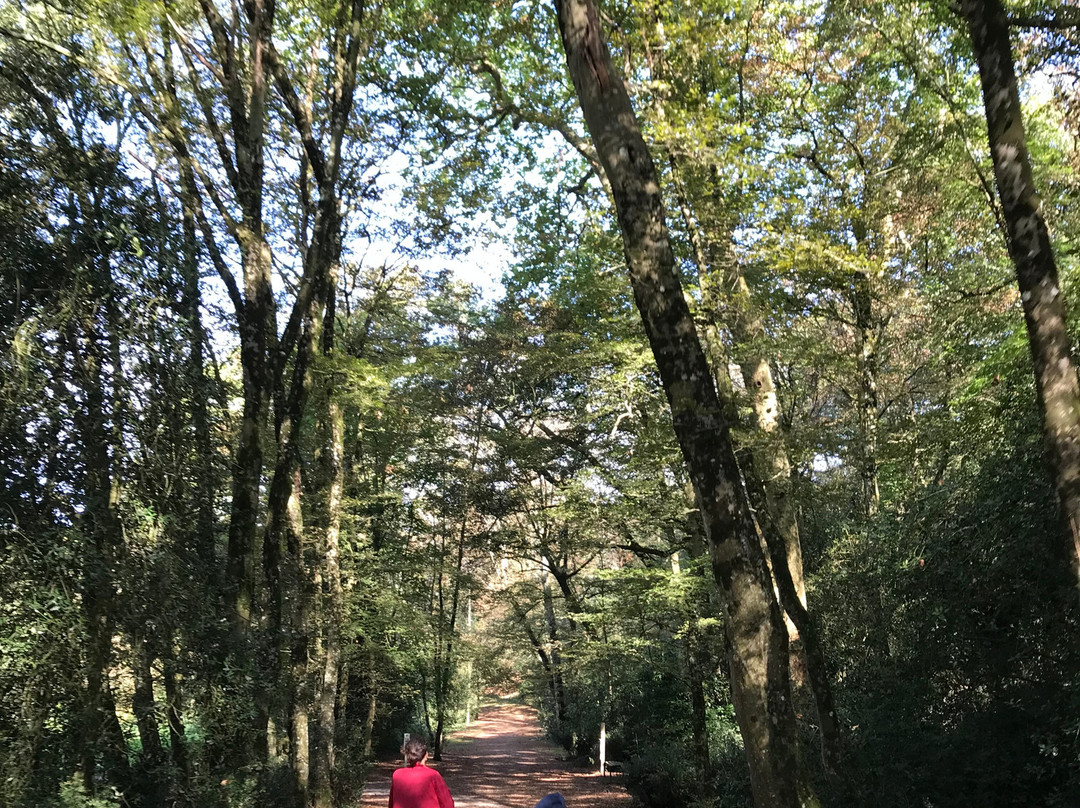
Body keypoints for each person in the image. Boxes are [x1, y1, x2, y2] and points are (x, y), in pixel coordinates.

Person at [388, 737, 454, 808]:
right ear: (426, 755)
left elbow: (392, 803)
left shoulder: (397, 775)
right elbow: (447, 803)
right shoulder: (432, 775)